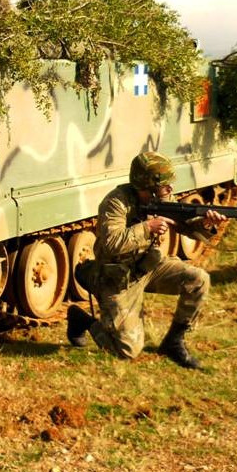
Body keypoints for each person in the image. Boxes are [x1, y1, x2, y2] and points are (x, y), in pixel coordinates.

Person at [66, 152, 227, 369]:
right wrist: (146, 228)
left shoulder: (161, 200)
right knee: (126, 352)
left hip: (150, 267)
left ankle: (174, 342)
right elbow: (111, 243)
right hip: (118, 277)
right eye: (165, 185)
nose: (170, 190)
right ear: (147, 186)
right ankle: (83, 320)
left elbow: (186, 224)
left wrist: (205, 224)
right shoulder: (115, 203)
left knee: (198, 280)